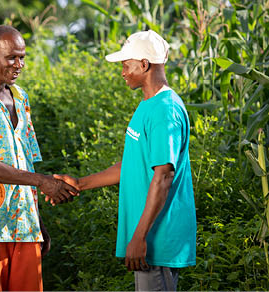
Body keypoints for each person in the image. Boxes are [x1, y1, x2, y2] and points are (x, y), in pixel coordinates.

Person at [52, 30, 196, 291]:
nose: (123, 72)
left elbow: (163, 177)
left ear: (144, 64)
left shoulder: (165, 110)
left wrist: (140, 237)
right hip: (149, 237)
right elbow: (132, 166)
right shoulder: (148, 104)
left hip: (156, 239)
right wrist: (79, 184)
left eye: (126, 65)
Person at [0, 25, 78, 291]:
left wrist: (37, 220)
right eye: (11, 57)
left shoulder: (21, 98)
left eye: (22, 57)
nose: (19, 64)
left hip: (25, 224)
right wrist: (42, 181)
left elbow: (26, 162)